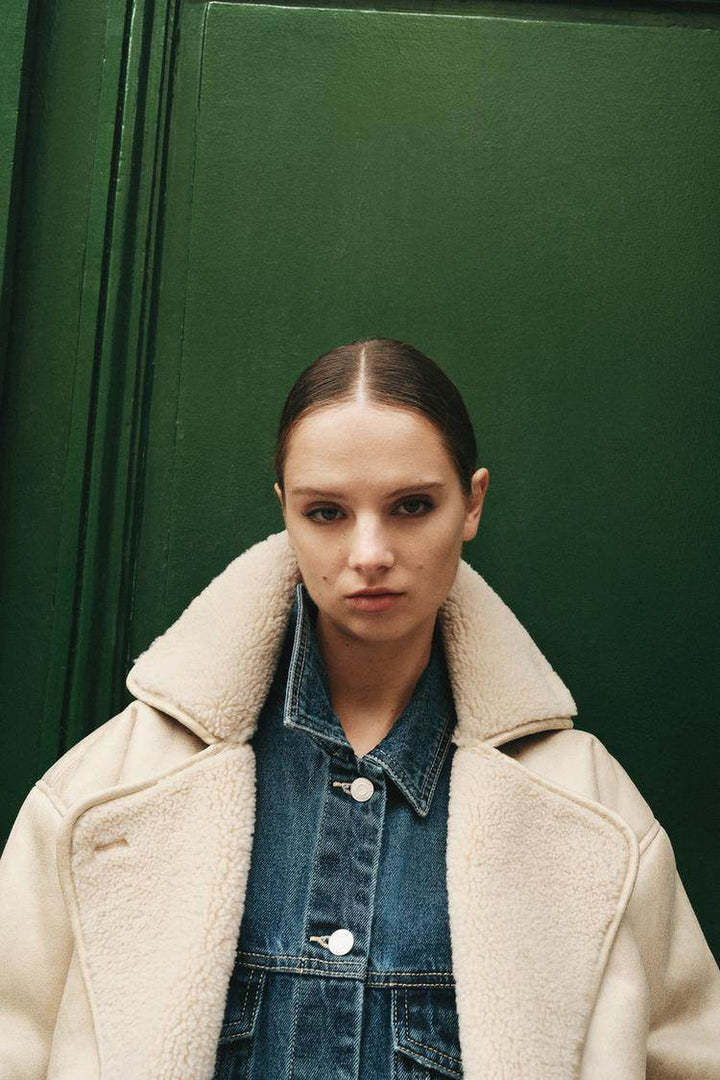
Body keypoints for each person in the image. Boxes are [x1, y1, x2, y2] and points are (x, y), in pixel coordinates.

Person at [0, 337, 719, 1080]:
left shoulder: (590, 815)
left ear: (472, 503)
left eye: (412, 506)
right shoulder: (107, 796)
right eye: (326, 512)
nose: (370, 553)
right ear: (285, 511)